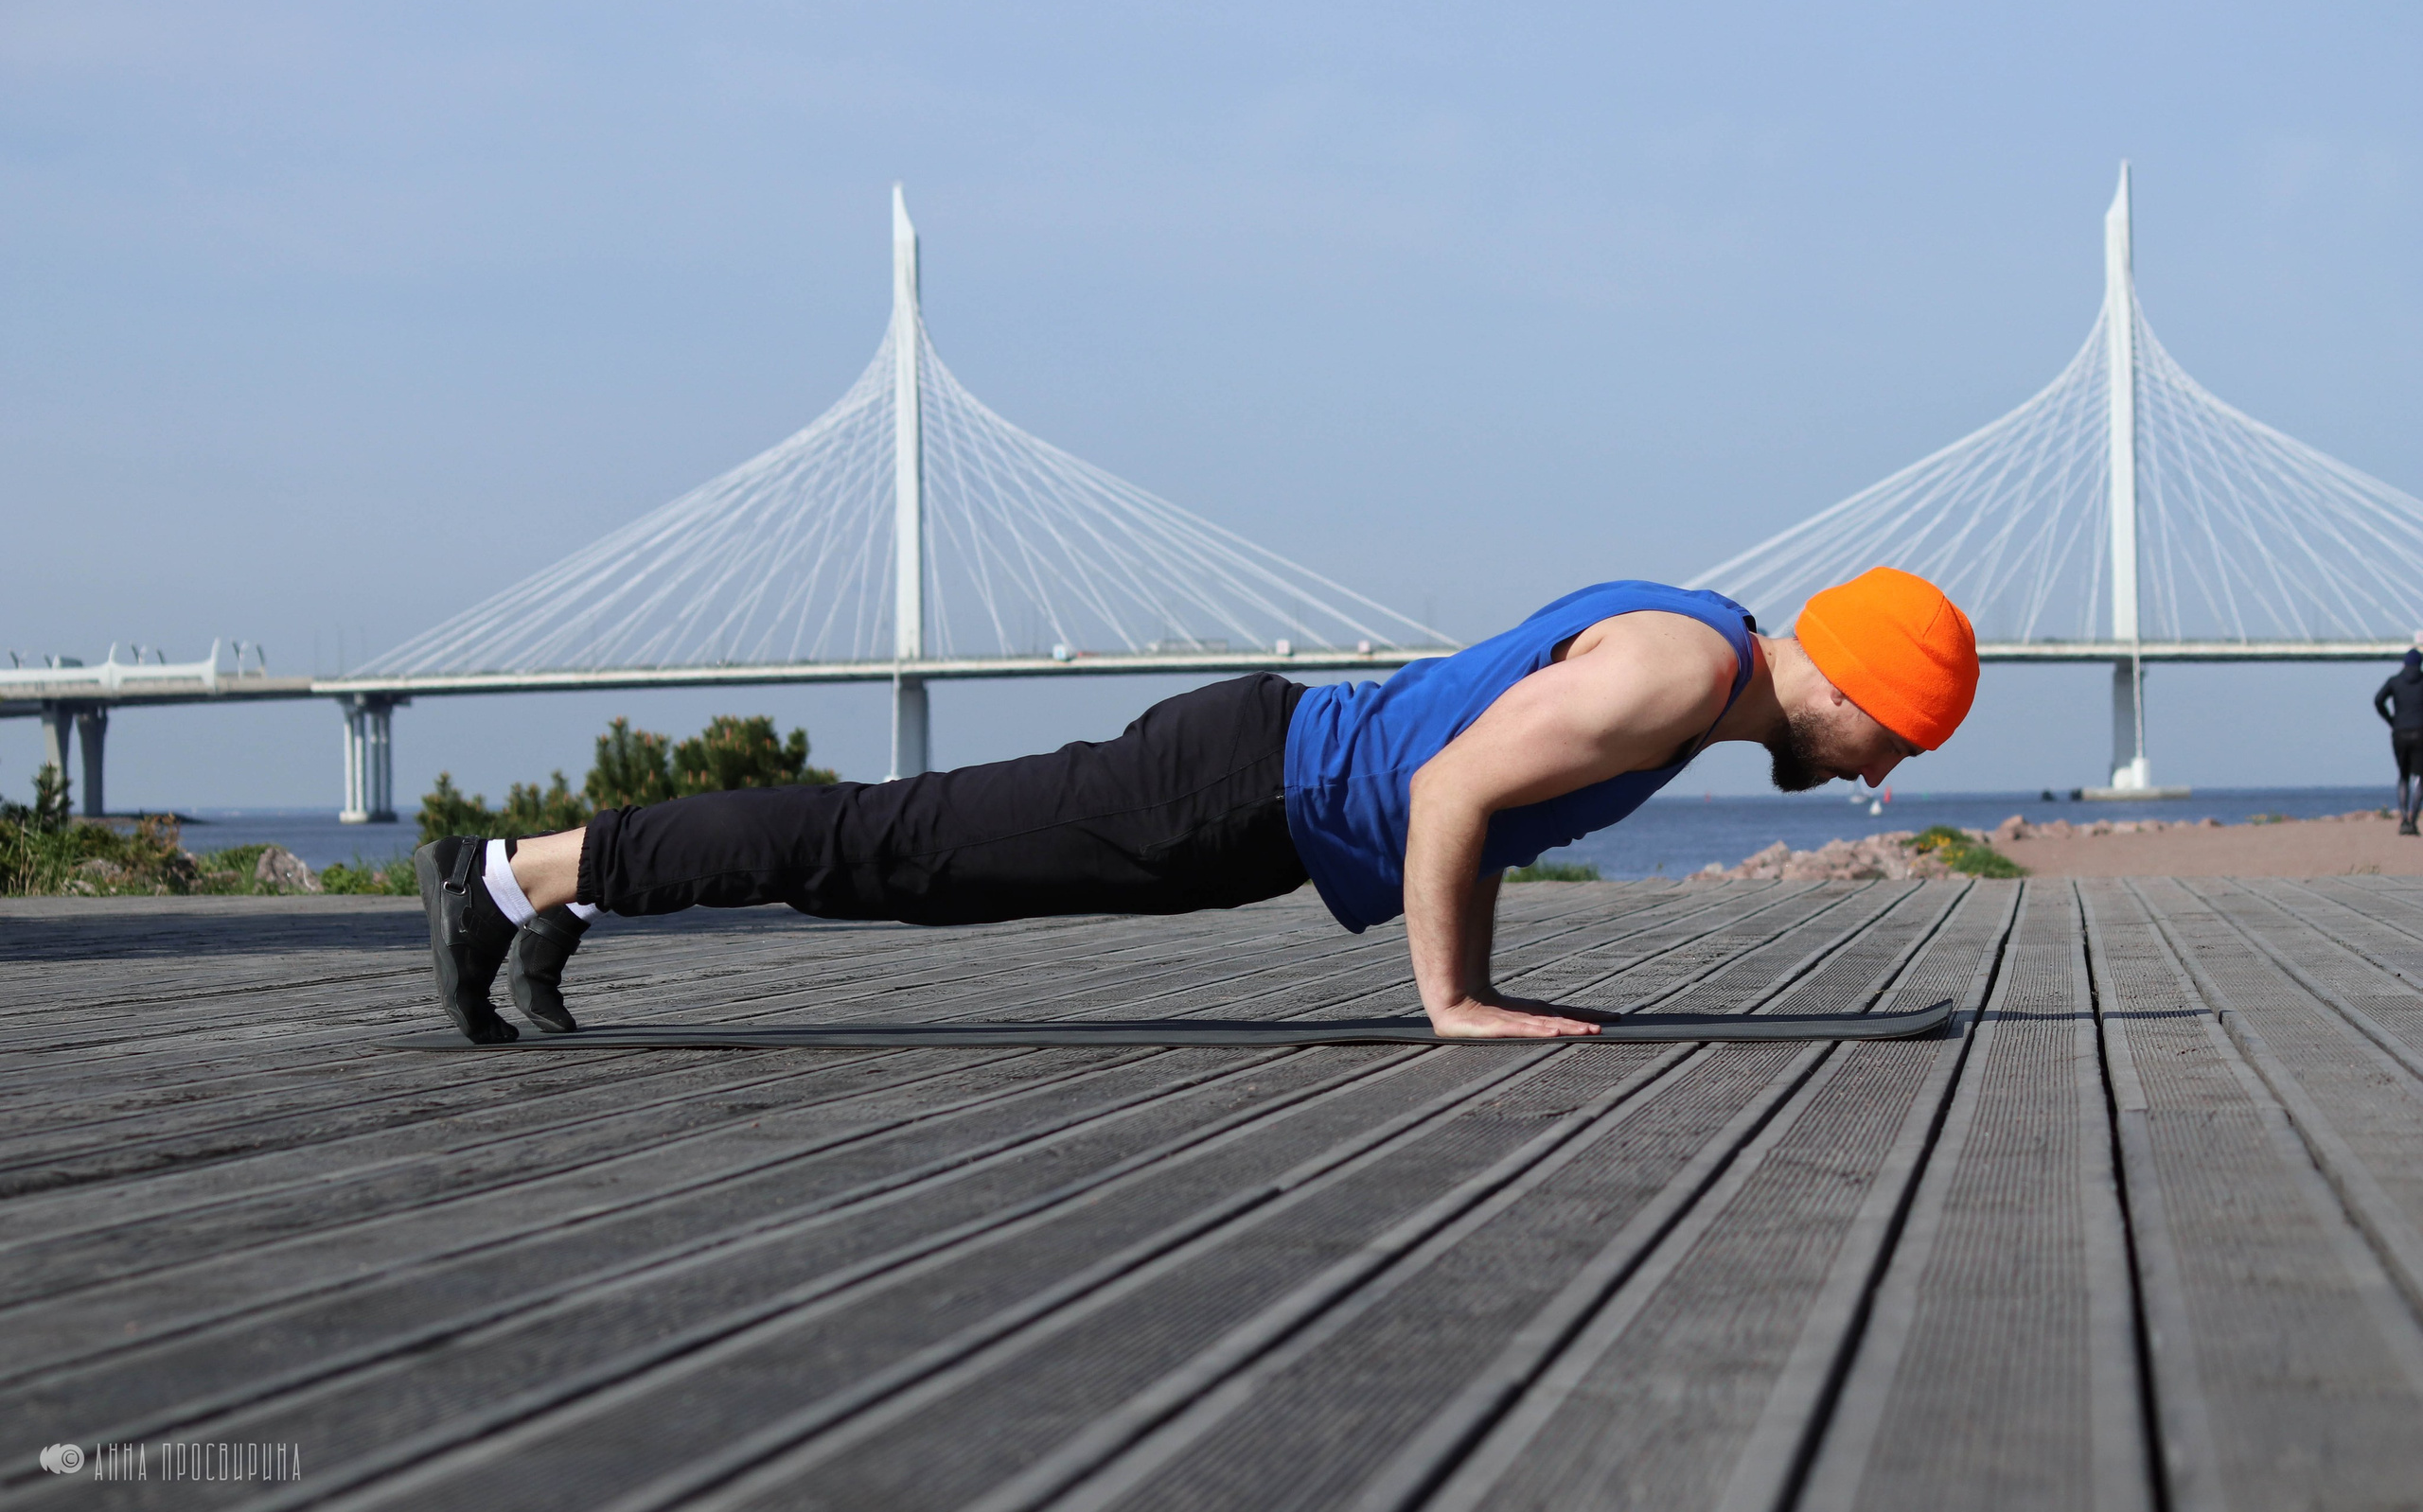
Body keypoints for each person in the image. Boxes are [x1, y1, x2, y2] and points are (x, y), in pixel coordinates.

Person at [416, 567, 1979, 1043]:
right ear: (1846, 679)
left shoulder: (1691, 645)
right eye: (1893, 736)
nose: (1880, 772)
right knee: (885, 845)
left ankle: (570, 890)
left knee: (893, 853)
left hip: (1248, 792)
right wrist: (1456, 1000)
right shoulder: (1676, 680)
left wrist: (1484, 981)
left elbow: (1472, 792)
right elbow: (1450, 786)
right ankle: (499, 878)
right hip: (1230, 791)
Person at [2378, 646, 2423, 835]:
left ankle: (2403, 818)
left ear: (2404, 664)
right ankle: (2413, 820)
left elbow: (2378, 700)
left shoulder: (2394, 682)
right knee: (2421, 778)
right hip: (2421, 733)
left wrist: (2392, 721)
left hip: (2400, 734)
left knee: (2403, 776)